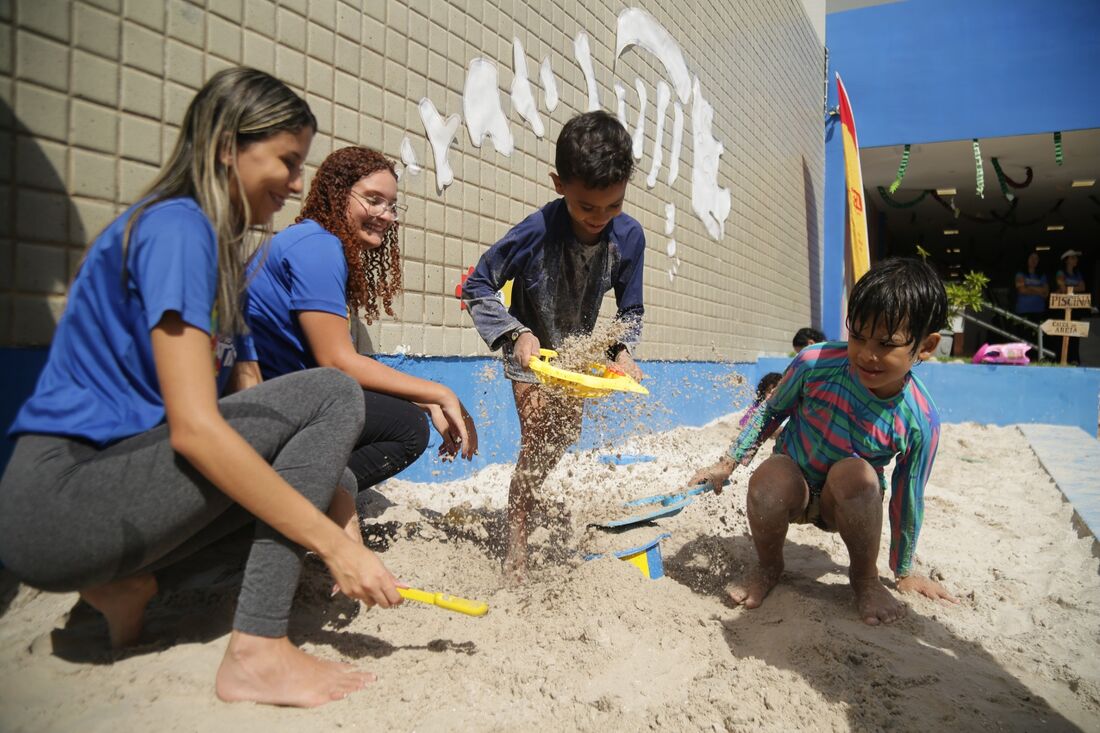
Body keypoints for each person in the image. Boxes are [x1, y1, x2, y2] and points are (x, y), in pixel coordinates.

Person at [0, 68, 403, 708]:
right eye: (287, 162)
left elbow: (247, 414)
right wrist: (333, 547)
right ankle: (258, 649)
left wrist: (337, 495)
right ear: (226, 148)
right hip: (59, 499)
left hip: (115, 493)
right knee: (332, 392)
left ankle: (128, 584)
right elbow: (196, 429)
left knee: (330, 475)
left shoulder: (220, 260)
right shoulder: (176, 229)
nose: (298, 184)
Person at [690, 257, 958, 626]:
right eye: (858, 336)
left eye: (886, 344)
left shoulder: (919, 419)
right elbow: (769, 412)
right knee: (768, 481)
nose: (867, 354)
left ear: (925, 347)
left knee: (856, 474)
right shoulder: (815, 363)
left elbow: (909, 494)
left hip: (845, 504)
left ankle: (864, 580)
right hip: (794, 483)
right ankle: (769, 566)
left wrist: (905, 569)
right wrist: (728, 463)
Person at [462, 111, 645, 580]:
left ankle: (528, 498)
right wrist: (515, 333)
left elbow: (631, 314)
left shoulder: (628, 238)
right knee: (538, 436)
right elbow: (477, 286)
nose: (599, 219)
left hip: (579, 357)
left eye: (612, 206)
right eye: (587, 207)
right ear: (559, 184)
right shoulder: (535, 231)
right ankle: (517, 539)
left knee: (561, 436)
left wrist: (621, 351)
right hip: (530, 350)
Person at [245, 146, 478, 495]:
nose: (387, 215)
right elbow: (338, 362)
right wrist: (439, 392)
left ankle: (313, 493)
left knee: (404, 412)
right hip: (261, 407)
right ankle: (289, 498)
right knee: (408, 428)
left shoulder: (311, 241)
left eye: (392, 205)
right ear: (338, 195)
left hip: (279, 395)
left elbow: (335, 371)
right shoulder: (318, 248)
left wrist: (426, 399)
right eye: (373, 199)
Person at [1055, 249, 1088, 364]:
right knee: (1062, 333)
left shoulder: (1077, 274)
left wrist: (1068, 287)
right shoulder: (1060, 273)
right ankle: (1062, 358)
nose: (1076, 260)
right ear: (1067, 260)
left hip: (1075, 307)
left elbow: (1083, 288)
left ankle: (1074, 358)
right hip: (1062, 308)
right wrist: (1073, 288)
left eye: (1076, 258)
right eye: (1073, 258)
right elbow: (1063, 289)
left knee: (1075, 333)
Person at [1014, 251, 1049, 325]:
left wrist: (1029, 287)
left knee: (1038, 335)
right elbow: (1022, 290)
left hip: (1039, 311)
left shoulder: (1042, 275)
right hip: (1024, 310)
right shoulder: (1020, 274)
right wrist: (1039, 292)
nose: (1034, 260)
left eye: (1036, 258)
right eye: (1031, 257)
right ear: (1027, 259)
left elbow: (1046, 293)